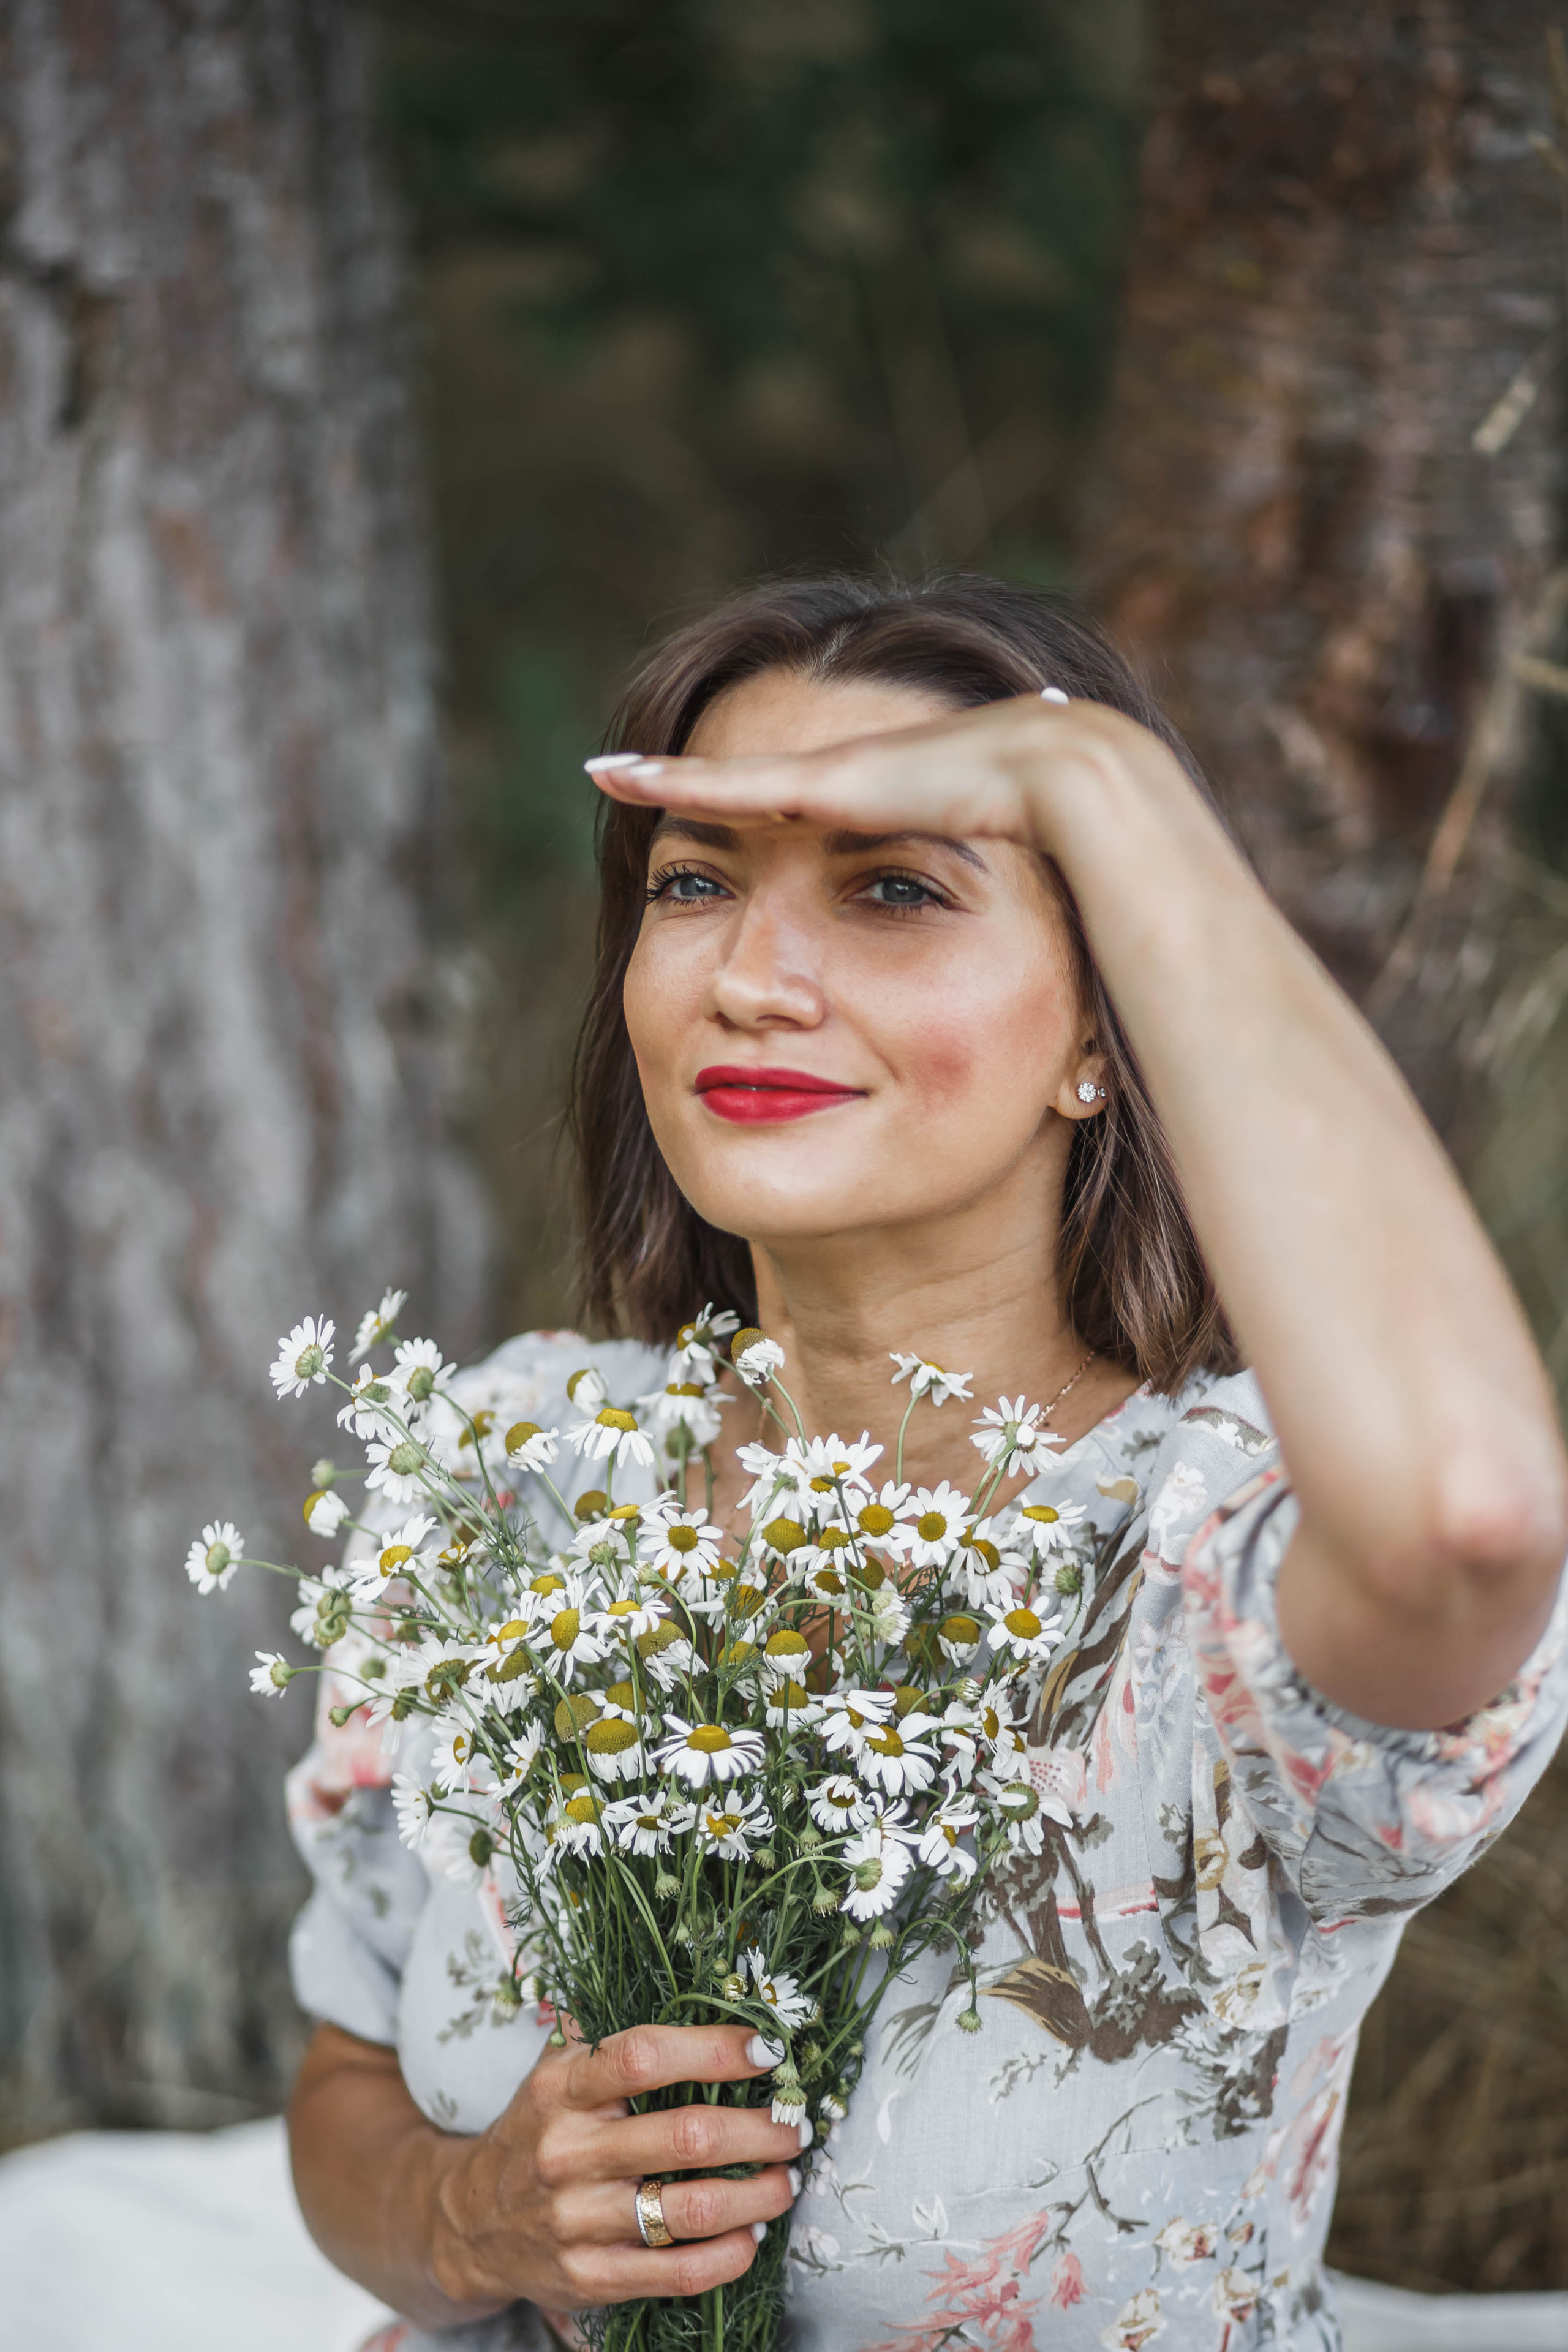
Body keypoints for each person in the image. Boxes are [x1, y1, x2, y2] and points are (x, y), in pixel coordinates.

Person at [284, 574, 1568, 2352]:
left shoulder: (1216, 1554)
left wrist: (1115, 799)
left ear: (1107, 1035)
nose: (754, 976)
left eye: (894, 889)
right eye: (696, 882)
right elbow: (352, 2072)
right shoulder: (513, 1475)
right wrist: (469, 2211)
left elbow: (1472, 1524)